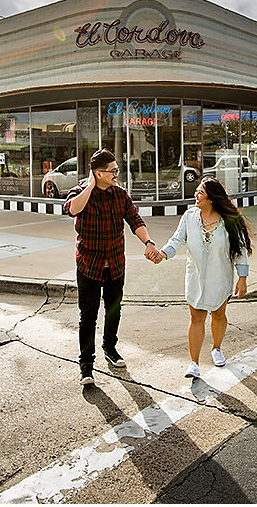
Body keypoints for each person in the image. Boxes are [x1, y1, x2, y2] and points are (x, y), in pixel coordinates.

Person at [64, 149, 160, 386]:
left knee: (114, 310)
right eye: (112, 171)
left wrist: (148, 242)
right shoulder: (80, 193)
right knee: (88, 315)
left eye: (117, 170)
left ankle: (110, 347)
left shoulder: (120, 195)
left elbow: (135, 220)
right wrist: (89, 186)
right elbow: (71, 209)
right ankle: (86, 365)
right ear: (97, 174)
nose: (116, 174)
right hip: (89, 265)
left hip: (115, 264)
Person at [156, 176, 253, 379]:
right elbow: (177, 240)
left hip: (221, 276)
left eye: (200, 192)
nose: (195, 195)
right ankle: (194, 363)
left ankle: (216, 348)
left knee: (218, 315)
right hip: (196, 276)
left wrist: (242, 277)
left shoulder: (229, 221)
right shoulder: (189, 217)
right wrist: (163, 253)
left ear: (211, 198)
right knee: (196, 317)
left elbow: (240, 250)